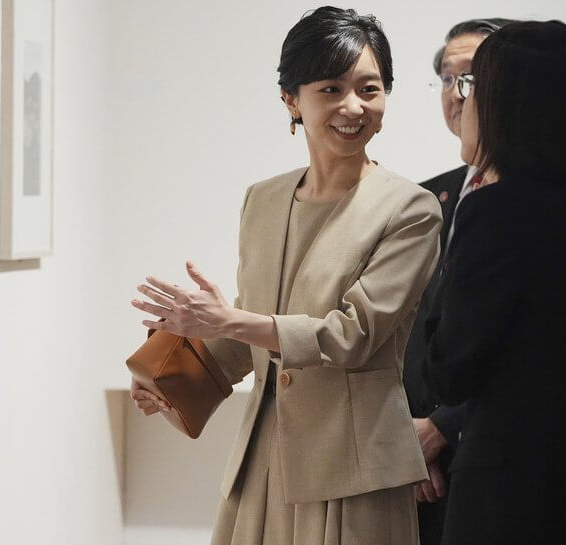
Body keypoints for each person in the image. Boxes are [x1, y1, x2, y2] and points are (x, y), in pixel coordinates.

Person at [129, 7, 442, 544]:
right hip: (262, 463)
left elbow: (353, 336)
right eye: (331, 88)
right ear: (291, 100)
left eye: (370, 88)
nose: (353, 106)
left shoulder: (410, 210)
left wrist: (228, 320)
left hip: (354, 470)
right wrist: (171, 379)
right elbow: (248, 345)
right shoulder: (263, 200)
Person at [425, 20, 566, 545]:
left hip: (506, 497)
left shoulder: (495, 211)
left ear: (508, 105)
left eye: (472, 85)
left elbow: (448, 369)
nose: (460, 100)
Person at [401, 17, 514, 545]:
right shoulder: (423, 201)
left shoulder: (549, 202)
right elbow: (406, 327)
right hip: (421, 477)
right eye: (448, 78)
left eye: (472, 77)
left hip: (513, 465)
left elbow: (533, 339)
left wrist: (443, 425)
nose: (457, 93)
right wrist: (412, 437)